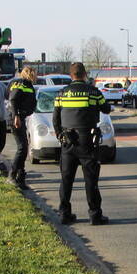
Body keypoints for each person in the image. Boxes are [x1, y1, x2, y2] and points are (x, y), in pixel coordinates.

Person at [53, 61, 111, 225]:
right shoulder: (93, 92)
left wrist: (60, 135)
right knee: (91, 180)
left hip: (68, 141)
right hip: (87, 141)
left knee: (66, 180)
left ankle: (64, 213)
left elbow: (55, 118)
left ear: (71, 76)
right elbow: (106, 108)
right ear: (84, 74)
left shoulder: (61, 94)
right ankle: (95, 215)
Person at [7, 65, 38, 189]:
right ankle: (12, 175)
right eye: (34, 73)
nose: (36, 76)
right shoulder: (21, 84)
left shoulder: (21, 83)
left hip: (20, 117)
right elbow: (13, 99)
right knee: (22, 147)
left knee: (24, 148)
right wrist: (16, 116)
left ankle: (21, 178)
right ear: (29, 73)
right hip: (17, 119)